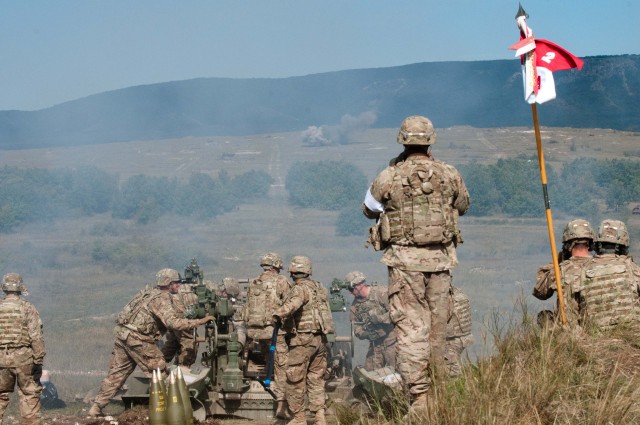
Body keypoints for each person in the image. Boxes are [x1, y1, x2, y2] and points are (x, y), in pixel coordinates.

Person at [362, 115, 470, 414]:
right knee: (439, 329)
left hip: (405, 263)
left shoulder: (390, 175)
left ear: (402, 141)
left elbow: (369, 209)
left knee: (411, 328)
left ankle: (420, 399)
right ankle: (442, 393)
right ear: (431, 141)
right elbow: (462, 205)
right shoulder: (449, 173)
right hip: (441, 261)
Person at [88, 269, 214, 417]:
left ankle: (96, 408)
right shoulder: (161, 298)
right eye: (176, 283)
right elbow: (173, 323)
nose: (179, 286)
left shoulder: (146, 293)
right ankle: (167, 410)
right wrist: (201, 321)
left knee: (117, 374)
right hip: (138, 338)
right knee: (159, 369)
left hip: (123, 336)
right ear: (168, 284)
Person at [273, 256, 335, 425]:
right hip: (320, 340)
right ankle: (319, 417)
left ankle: (299, 419)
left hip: (302, 341)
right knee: (316, 379)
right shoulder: (319, 288)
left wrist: (278, 314)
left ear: (293, 272)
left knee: (295, 379)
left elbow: (293, 304)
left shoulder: (299, 289)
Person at [243, 252, 292, 419]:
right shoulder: (281, 281)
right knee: (281, 366)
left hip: (255, 332)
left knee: (267, 358)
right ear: (277, 266)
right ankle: (281, 404)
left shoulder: (254, 282)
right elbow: (290, 304)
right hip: (274, 331)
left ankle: (266, 388)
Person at [0, 273, 46, 425]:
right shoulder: (27, 308)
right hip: (23, 358)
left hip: (1, 358)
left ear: (4, 288)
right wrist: (38, 359)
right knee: (29, 394)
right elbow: (36, 336)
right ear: (20, 288)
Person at [533, 218, 595, 327]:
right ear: (590, 243)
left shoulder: (559, 270)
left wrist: (556, 263)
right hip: (594, 326)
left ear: (567, 245)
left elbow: (540, 292)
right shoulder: (600, 267)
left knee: (543, 316)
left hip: (569, 329)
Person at [579, 219, 640, 330]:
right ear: (623, 246)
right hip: (631, 334)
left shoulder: (583, 270)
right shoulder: (632, 269)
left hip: (595, 338)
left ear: (598, 245)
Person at [344, 271, 396, 371]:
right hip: (375, 344)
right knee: (369, 375)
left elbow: (398, 311)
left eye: (351, 289)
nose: (350, 292)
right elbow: (355, 326)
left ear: (360, 285)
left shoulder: (381, 293)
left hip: (392, 341)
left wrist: (380, 319)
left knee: (396, 373)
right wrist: (365, 334)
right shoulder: (356, 305)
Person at [162, 279, 200, 368]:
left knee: (172, 344)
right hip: (181, 323)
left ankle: (159, 366)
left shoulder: (178, 291)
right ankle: (183, 369)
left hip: (174, 323)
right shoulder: (187, 291)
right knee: (190, 346)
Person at [445, 285, 474, 378]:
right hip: (462, 337)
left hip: (453, 338)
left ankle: (455, 389)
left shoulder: (445, 296)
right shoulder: (459, 293)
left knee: (450, 367)